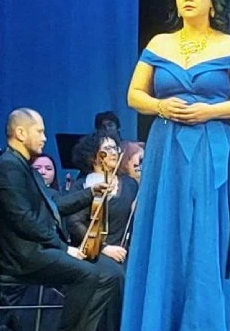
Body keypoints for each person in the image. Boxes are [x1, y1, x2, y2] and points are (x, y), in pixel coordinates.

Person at [122, 0, 230, 330]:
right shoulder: (159, 43)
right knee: (167, 228)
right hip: (167, 147)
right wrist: (159, 105)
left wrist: (210, 111)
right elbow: (134, 95)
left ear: (212, 1)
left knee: (208, 230)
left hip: (213, 144)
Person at [0, 108, 121, 331]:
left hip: (36, 250)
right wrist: (64, 247)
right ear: (20, 133)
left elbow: (54, 205)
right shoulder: (8, 167)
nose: (44, 138)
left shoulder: (22, 165)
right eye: (39, 132)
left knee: (111, 274)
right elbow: (23, 220)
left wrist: (92, 193)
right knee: (89, 274)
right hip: (23, 257)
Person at [67, 132, 137, 331]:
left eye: (115, 148)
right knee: (115, 275)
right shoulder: (82, 186)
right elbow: (74, 223)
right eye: (107, 149)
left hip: (124, 252)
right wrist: (104, 248)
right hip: (92, 252)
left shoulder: (130, 184)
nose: (113, 152)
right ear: (93, 156)